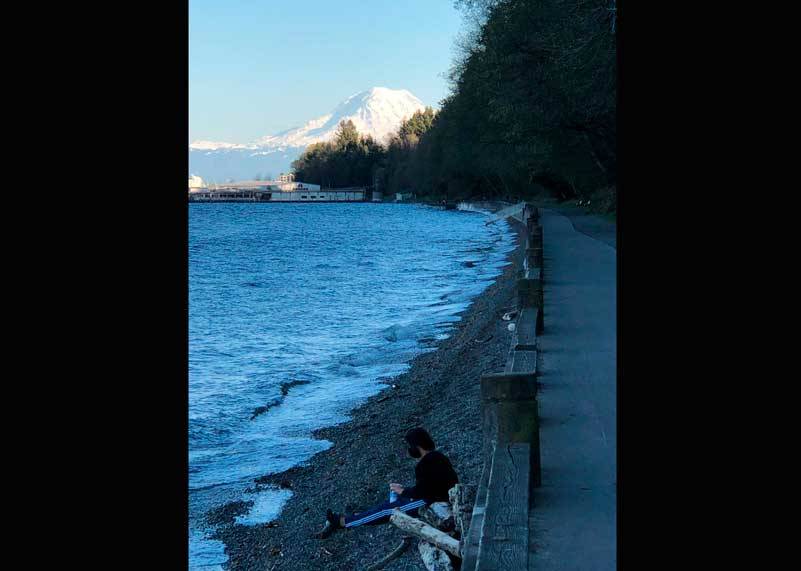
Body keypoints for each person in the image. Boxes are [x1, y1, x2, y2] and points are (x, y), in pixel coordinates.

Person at [314, 427, 458, 539]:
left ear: (417, 446)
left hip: (434, 500)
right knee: (389, 503)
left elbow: (424, 492)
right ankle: (363, 516)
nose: (409, 449)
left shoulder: (425, 464)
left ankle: (343, 522)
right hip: (437, 495)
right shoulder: (438, 456)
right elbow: (431, 485)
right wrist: (404, 491)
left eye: (409, 446)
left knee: (388, 510)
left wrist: (404, 491)